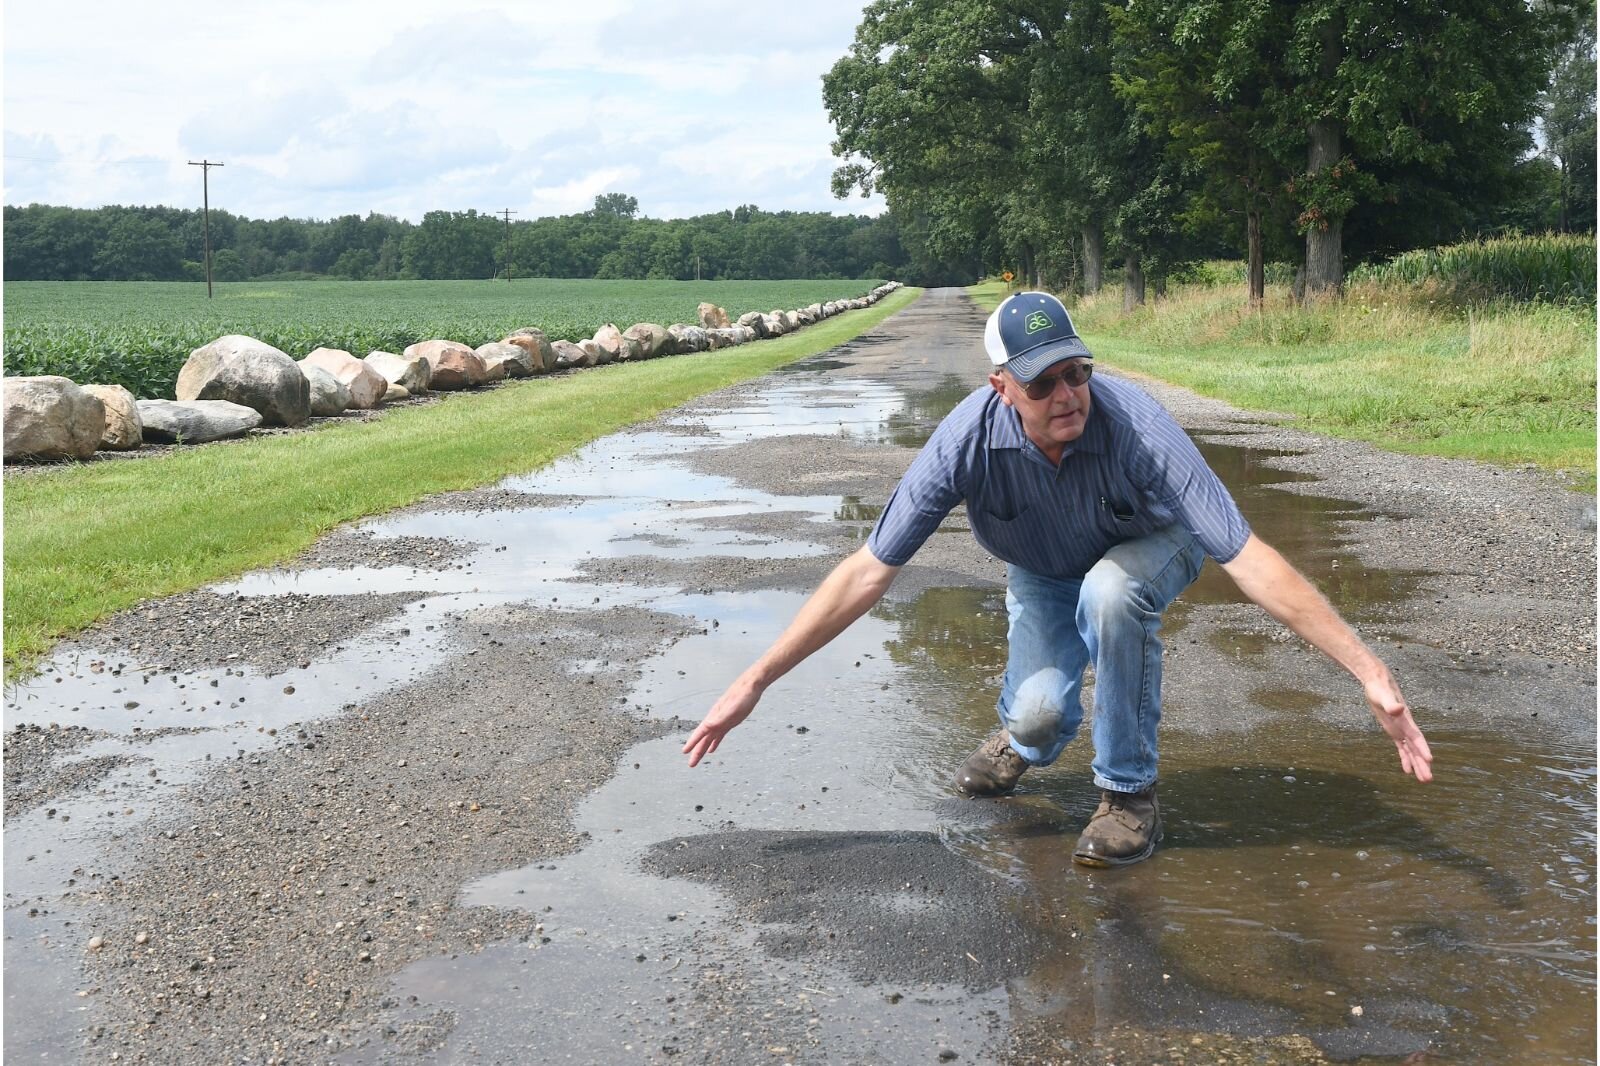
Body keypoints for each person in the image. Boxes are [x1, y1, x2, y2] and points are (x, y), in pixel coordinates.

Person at [683, 291, 1433, 867]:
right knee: (1039, 717)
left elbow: (1246, 557)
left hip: (1151, 545)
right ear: (1001, 386)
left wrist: (1368, 670)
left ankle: (1128, 796)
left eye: (1078, 372)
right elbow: (868, 572)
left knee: (1112, 593)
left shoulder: (1135, 425)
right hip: (1043, 567)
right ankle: (1021, 738)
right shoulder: (963, 443)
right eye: (1043, 383)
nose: (1068, 394)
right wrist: (757, 678)